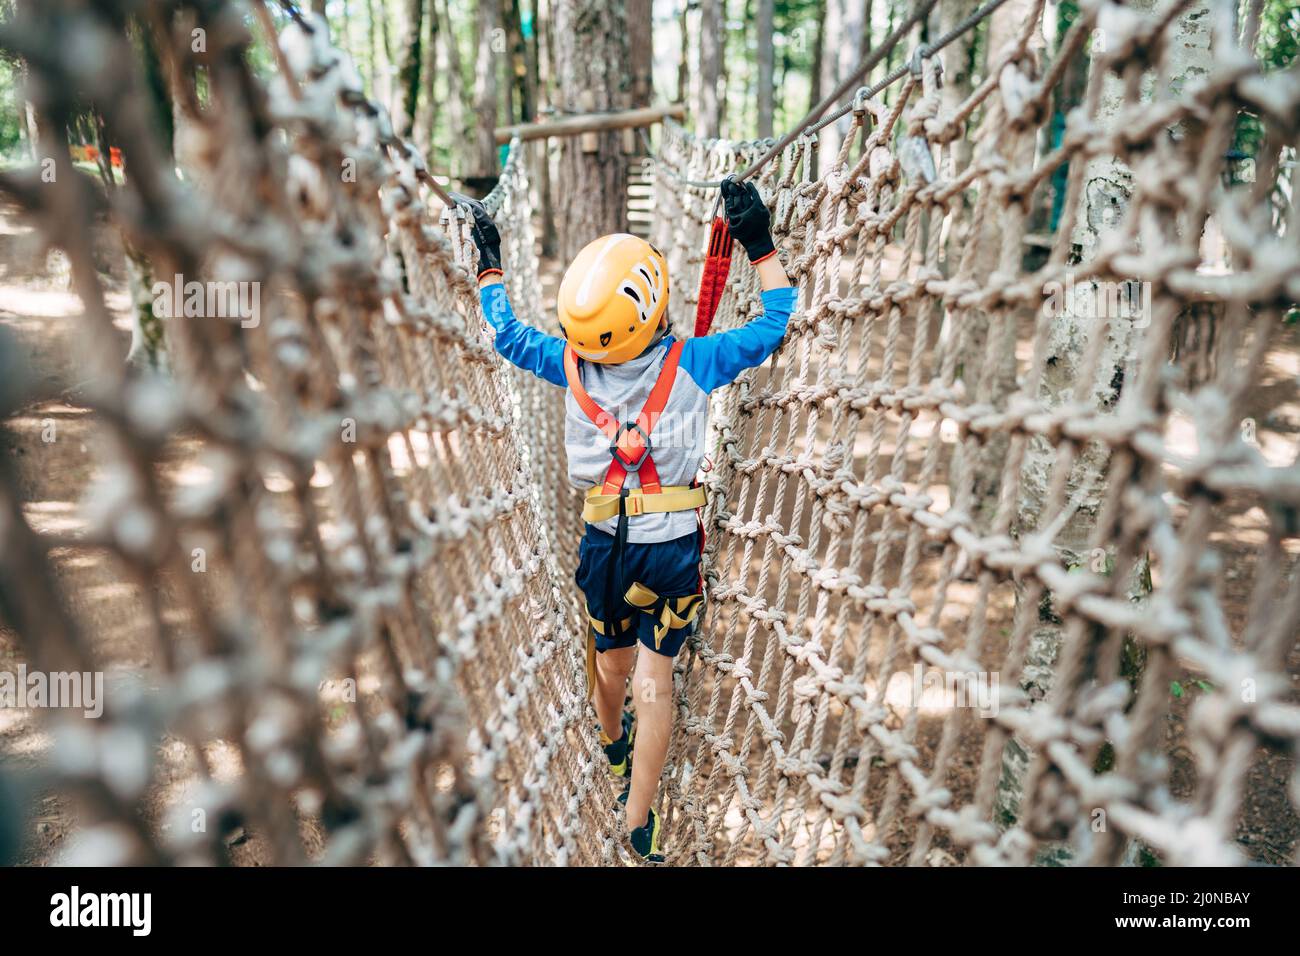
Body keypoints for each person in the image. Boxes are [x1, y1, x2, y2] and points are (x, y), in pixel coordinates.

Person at [465, 179, 794, 862]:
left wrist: (489, 265)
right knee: (654, 682)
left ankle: (612, 749)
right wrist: (758, 243)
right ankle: (638, 822)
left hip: (601, 553)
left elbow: (505, 335)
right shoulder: (696, 363)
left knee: (609, 667)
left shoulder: (567, 365)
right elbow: (775, 321)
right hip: (670, 555)